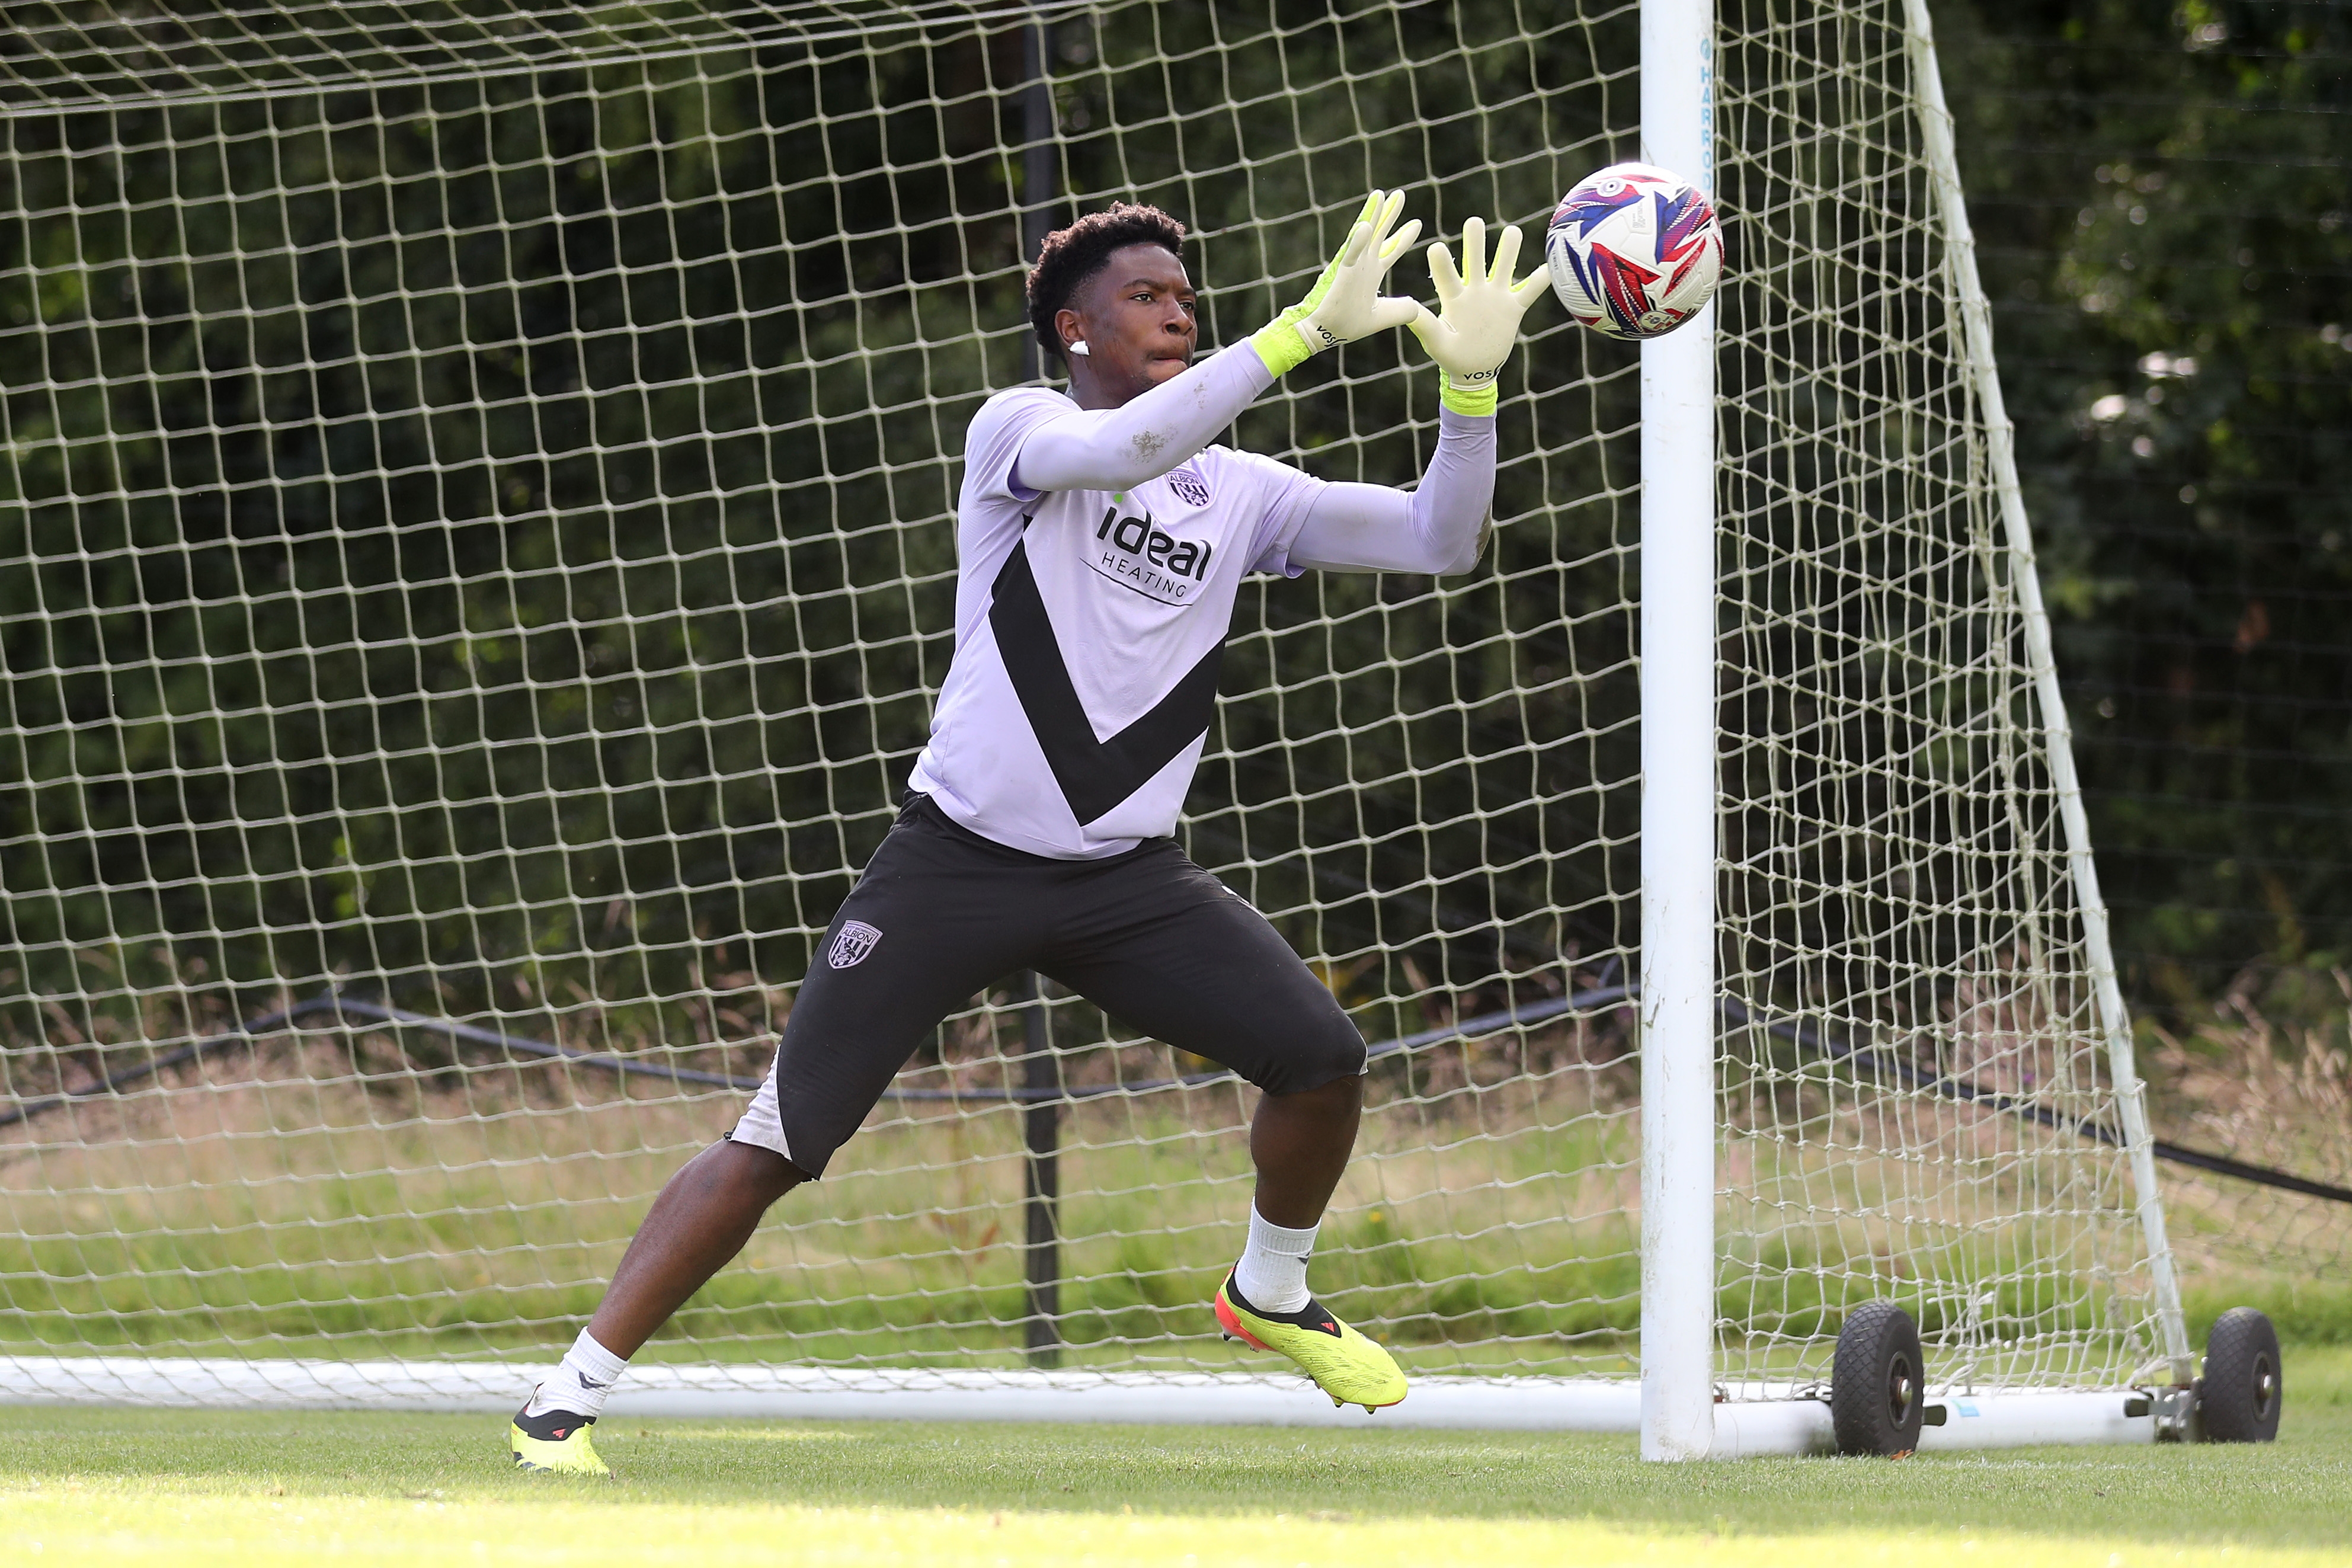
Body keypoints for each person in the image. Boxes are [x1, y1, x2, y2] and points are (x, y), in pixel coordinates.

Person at [510, 191, 1548, 1474]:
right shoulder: (1023, 428)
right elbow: (1124, 455)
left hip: (1126, 886)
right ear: (1073, 328)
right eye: (1144, 296)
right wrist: (1291, 336)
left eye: (1184, 294)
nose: (1175, 309)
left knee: (1321, 1060)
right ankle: (565, 1396)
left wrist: (1471, 392)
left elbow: (1438, 541)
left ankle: (1268, 1291)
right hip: (954, 866)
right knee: (780, 1141)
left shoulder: (1240, 493)